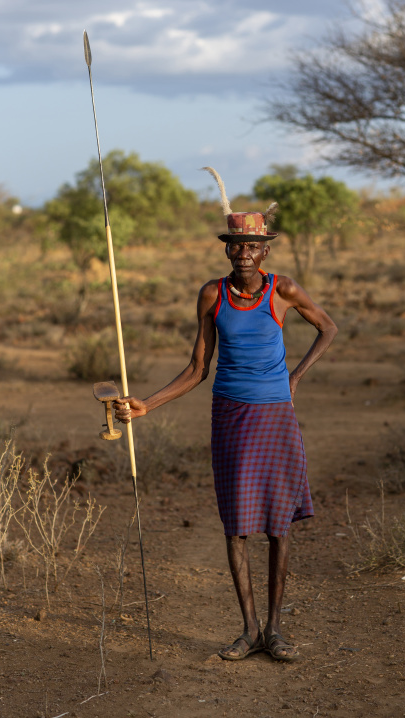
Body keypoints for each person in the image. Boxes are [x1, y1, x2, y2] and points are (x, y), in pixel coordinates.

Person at [114, 167, 337, 662]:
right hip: (231, 416)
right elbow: (197, 368)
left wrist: (295, 377)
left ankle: (275, 632)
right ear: (226, 250)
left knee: (279, 524)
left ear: (266, 251)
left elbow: (328, 328)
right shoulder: (212, 295)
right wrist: (145, 405)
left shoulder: (284, 291)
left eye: (252, 246)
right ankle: (249, 630)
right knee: (236, 525)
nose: (243, 254)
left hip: (277, 416)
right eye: (235, 246)